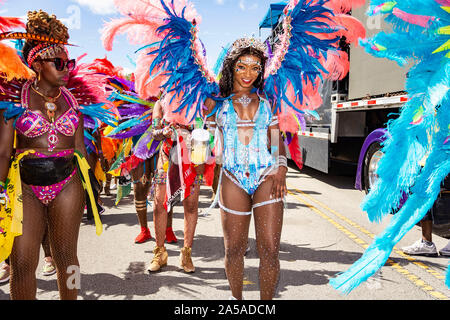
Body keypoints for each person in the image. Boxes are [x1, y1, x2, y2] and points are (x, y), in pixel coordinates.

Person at [0, 10, 103, 299]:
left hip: (67, 184)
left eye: (68, 61)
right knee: (21, 263)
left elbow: (81, 150)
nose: (66, 67)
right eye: (58, 62)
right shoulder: (14, 98)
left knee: (67, 260)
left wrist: (91, 188)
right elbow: (3, 152)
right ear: (36, 62)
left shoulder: (75, 101)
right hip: (25, 188)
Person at [203, 40, 287, 300]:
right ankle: (236, 300)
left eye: (255, 67)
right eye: (242, 66)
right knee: (234, 249)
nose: (249, 73)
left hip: (266, 175)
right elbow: (200, 137)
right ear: (232, 67)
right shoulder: (215, 103)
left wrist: (280, 168)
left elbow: (276, 141)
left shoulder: (268, 100)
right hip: (232, 178)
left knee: (270, 249)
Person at [147, 97, 201, 273]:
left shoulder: (198, 98)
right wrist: (166, 131)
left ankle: (186, 253)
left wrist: (193, 133)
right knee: (159, 204)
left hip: (192, 156)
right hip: (167, 156)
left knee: (191, 205)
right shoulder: (161, 102)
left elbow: (206, 124)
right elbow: (154, 132)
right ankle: (160, 253)